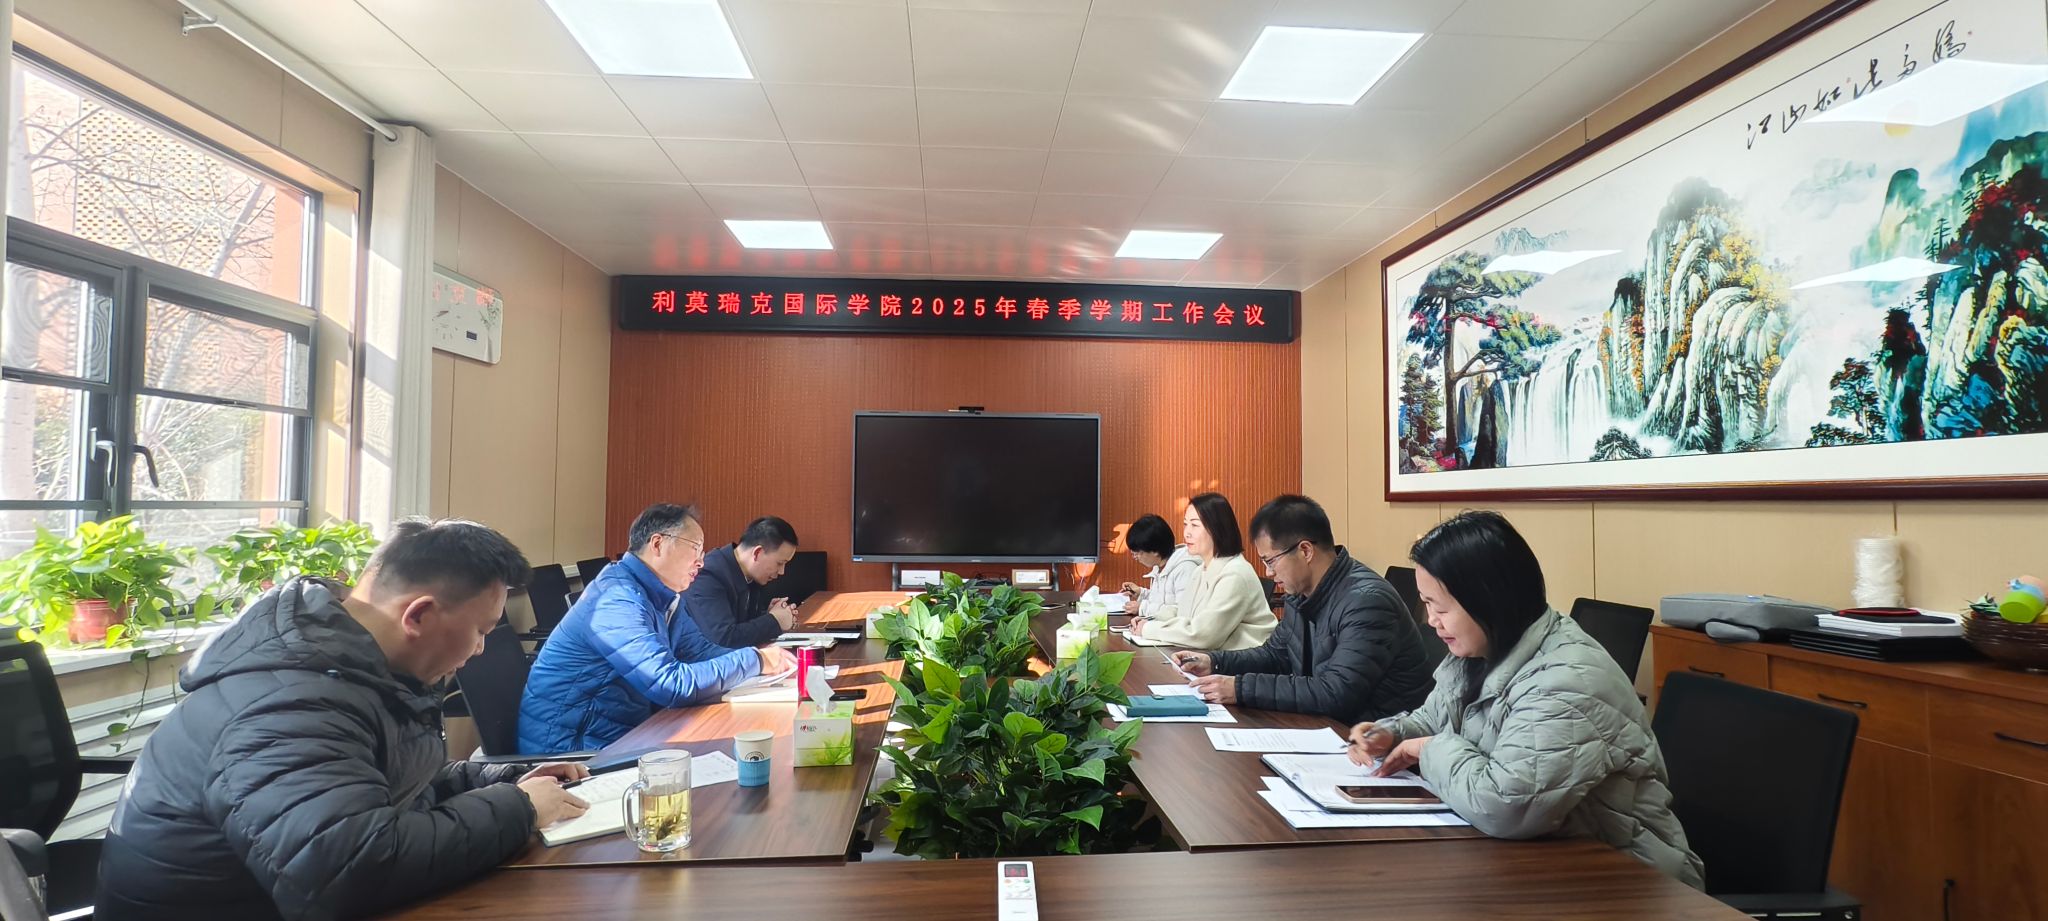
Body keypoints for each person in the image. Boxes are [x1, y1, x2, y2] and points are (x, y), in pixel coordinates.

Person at [95, 518, 593, 921]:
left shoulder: (352, 667)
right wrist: (517, 809)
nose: (481, 649)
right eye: (481, 630)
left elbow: (386, 781)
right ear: (418, 615)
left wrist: (502, 780)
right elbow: (346, 871)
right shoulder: (288, 704)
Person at [1346, 511, 1703, 888]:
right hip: (1541, 861)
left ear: (1487, 599)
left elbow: (1503, 805)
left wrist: (1427, 748)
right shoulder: (1480, 648)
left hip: (1632, 882)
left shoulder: (1566, 681)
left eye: (1440, 607)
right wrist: (1394, 734)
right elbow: (1435, 721)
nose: (1431, 620)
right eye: (1426, 604)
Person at [518, 503, 796, 753]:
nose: (701, 561)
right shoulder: (616, 600)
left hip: (624, 732)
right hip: (571, 751)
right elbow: (669, 683)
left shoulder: (664, 597)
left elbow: (700, 651)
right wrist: (755, 660)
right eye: (695, 548)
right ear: (658, 544)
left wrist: (766, 665)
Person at [1172, 495, 1433, 724]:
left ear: (1305, 551)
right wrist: (1214, 662)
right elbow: (1274, 656)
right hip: (1330, 729)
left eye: (1271, 561)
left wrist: (1239, 688)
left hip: (1378, 743)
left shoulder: (1366, 602)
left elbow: (1335, 692)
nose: (1268, 572)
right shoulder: (1301, 593)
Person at [1128, 493, 1274, 650]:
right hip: (1214, 656)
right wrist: (1150, 620)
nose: (1187, 533)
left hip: (1247, 661)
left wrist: (1149, 629)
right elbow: (1183, 612)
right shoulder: (1200, 570)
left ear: (1217, 528)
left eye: (1195, 525)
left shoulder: (1235, 574)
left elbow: (1204, 635)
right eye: (1185, 524)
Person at [685, 516, 802, 647]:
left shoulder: (749, 575)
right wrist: (774, 621)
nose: (782, 572)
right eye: (780, 563)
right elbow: (723, 640)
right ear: (757, 553)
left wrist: (768, 615)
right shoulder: (708, 575)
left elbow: (741, 626)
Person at [1117, 513, 1199, 622]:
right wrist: (1141, 593)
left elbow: (1182, 611)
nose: (1135, 557)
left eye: (1138, 552)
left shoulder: (1185, 569)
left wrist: (1142, 608)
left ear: (1155, 551)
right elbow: (1164, 600)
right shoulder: (1159, 566)